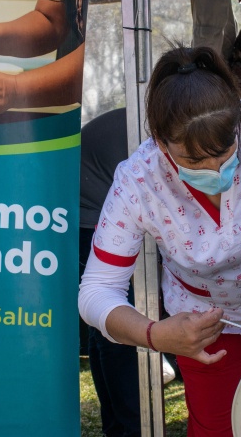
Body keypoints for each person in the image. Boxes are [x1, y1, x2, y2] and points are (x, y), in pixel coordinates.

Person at [79, 45, 241, 436]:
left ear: (239, 123)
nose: (216, 171)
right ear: (161, 145)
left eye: (225, 152)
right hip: (206, 323)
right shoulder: (138, 178)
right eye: (194, 162)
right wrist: (156, 334)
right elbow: (96, 291)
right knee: (220, 426)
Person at [79, 108, 141, 437]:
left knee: (103, 325)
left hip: (88, 208)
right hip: (91, 216)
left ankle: (118, 424)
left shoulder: (144, 114)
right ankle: (130, 425)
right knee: (118, 320)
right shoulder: (153, 125)